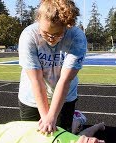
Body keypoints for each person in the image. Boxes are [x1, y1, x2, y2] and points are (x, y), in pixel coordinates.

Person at [18, 0, 87, 134]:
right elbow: (36, 80)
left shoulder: (77, 37)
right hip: (32, 96)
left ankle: (76, 121)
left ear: (66, 27)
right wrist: (46, 117)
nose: (50, 38)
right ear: (38, 20)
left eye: (57, 34)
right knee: (32, 139)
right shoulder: (29, 36)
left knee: (61, 138)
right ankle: (75, 121)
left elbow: (65, 80)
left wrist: (52, 116)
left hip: (64, 96)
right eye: (45, 33)